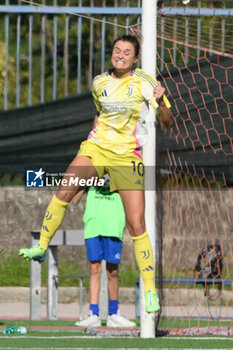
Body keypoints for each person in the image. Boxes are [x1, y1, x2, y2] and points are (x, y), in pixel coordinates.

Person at [19, 34, 173, 313]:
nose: (121, 55)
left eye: (127, 52)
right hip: (96, 148)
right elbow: (100, 117)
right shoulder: (98, 83)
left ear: (136, 58)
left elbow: (167, 123)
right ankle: (41, 247)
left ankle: (150, 291)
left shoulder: (145, 82)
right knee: (65, 188)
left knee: (136, 225)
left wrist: (161, 102)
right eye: (117, 50)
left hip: (127, 156)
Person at [73, 176, 136, 328]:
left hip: (113, 225)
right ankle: (93, 314)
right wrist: (86, 178)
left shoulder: (119, 167)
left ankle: (113, 314)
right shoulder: (92, 168)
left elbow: (131, 197)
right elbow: (74, 199)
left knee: (112, 271)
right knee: (94, 268)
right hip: (94, 225)